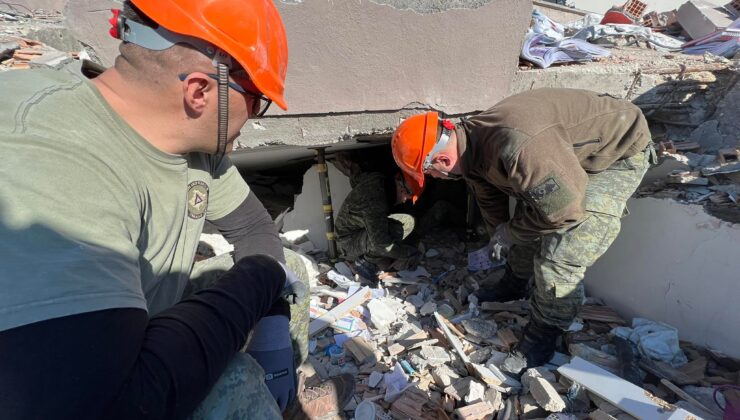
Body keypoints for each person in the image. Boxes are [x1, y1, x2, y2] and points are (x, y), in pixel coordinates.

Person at [0, 1, 352, 419]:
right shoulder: (46, 152)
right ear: (200, 91)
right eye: (258, 101)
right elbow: (112, 402)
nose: (255, 117)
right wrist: (258, 284)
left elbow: (254, 228)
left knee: (287, 264)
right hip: (83, 388)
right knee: (235, 382)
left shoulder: (194, 149)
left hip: (134, 325)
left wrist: (273, 326)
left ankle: (284, 398)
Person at [390, 88, 656, 370]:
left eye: (429, 173)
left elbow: (564, 212)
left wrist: (509, 233)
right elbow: (488, 196)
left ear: (442, 161)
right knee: (524, 225)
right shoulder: (472, 144)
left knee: (559, 257)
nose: (433, 178)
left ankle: (544, 334)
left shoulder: (516, 147)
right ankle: (514, 283)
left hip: (615, 154)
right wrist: (499, 236)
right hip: (561, 155)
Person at [332, 151, 420, 279]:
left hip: (359, 231)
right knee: (391, 232)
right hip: (347, 242)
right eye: (407, 195)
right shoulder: (375, 199)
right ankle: (364, 263)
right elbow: (381, 244)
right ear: (400, 185)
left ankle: (373, 257)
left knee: (407, 221)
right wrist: (407, 253)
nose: (405, 200)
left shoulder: (379, 182)